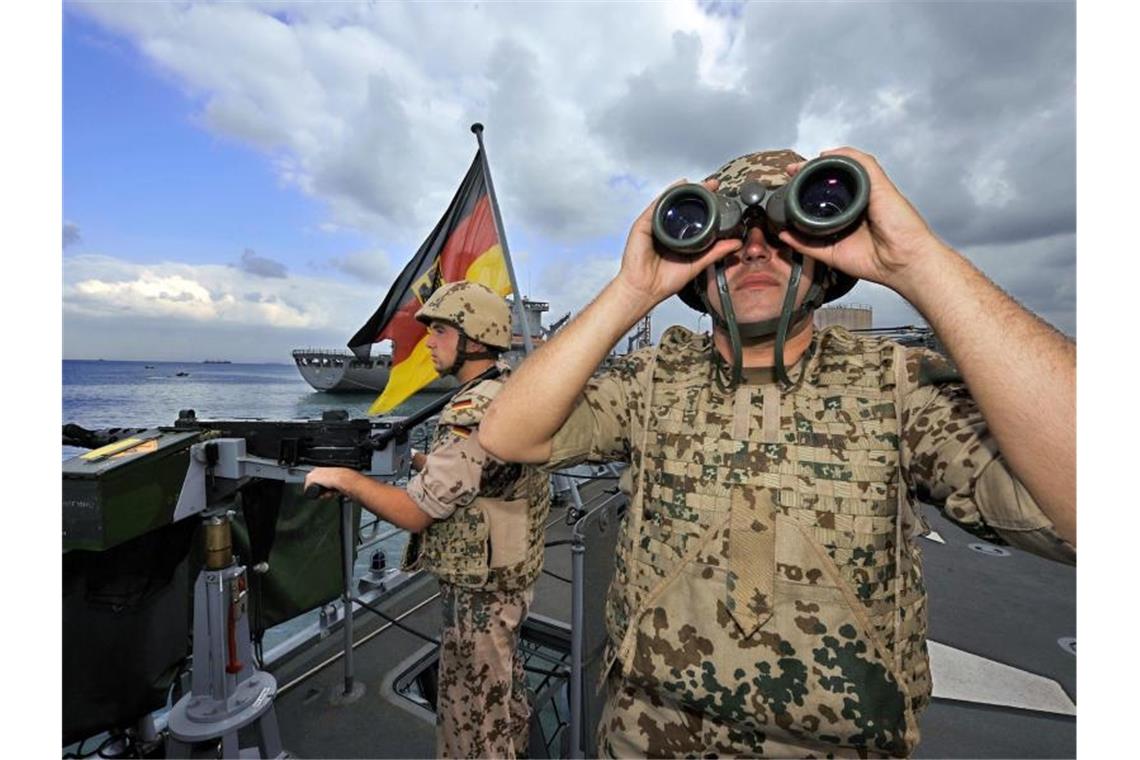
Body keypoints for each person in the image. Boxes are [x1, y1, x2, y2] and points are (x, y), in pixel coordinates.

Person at [478, 148, 1075, 758]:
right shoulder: (653, 380)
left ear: (829, 249)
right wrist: (634, 289)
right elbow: (508, 435)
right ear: (695, 264)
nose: (755, 251)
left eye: (784, 232)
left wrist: (920, 262)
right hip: (646, 734)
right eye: (729, 237)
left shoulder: (896, 385)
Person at [304, 281, 551, 759]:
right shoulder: (502, 391)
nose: (428, 342)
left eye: (439, 331)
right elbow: (477, 472)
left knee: (472, 728)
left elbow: (416, 514)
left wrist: (347, 480)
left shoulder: (470, 409)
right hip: (504, 584)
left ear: (474, 340)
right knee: (503, 706)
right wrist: (420, 459)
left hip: (479, 599)